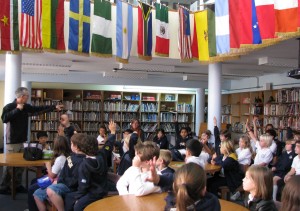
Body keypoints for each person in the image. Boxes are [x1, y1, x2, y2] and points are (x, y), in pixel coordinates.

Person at [0, 87, 63, 195]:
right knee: (10, 166)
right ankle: (4, 187)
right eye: (27, 96)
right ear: (21, 97)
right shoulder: (9, 107)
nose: (28, 98)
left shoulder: (26, 107)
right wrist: (17, 110)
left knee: (22, 166)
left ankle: (17, 185)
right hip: (12, 141)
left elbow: (38, 109)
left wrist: (53, 107)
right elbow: (4, 118)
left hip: (23, 140)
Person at [64, 135, 108, 211]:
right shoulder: (102, 156)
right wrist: (113, 133)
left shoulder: (84, 165)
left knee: (76, 206)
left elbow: (83, 185)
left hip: (92, 193)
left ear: (83, 148)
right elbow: (108, 146)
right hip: (103, 188)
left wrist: (78, 198)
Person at [45, 133, 88, 211]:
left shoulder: (81, 161)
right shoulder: (70, 157)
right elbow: (64, 172)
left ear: (76, 147)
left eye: (71, 144)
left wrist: (60, 181)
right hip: (63, 181)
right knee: (41, 192)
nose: (70, 145)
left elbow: (74, 180)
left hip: (69, 185)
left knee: (49, 190)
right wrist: (58, 180)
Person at [31, 136, 70, 211]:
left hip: (58, 181)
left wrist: (48, 166)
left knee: (34, 190)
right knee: (34, 182)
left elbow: (52, 175)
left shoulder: (60, 158)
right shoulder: (67, 156)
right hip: (62, 180)